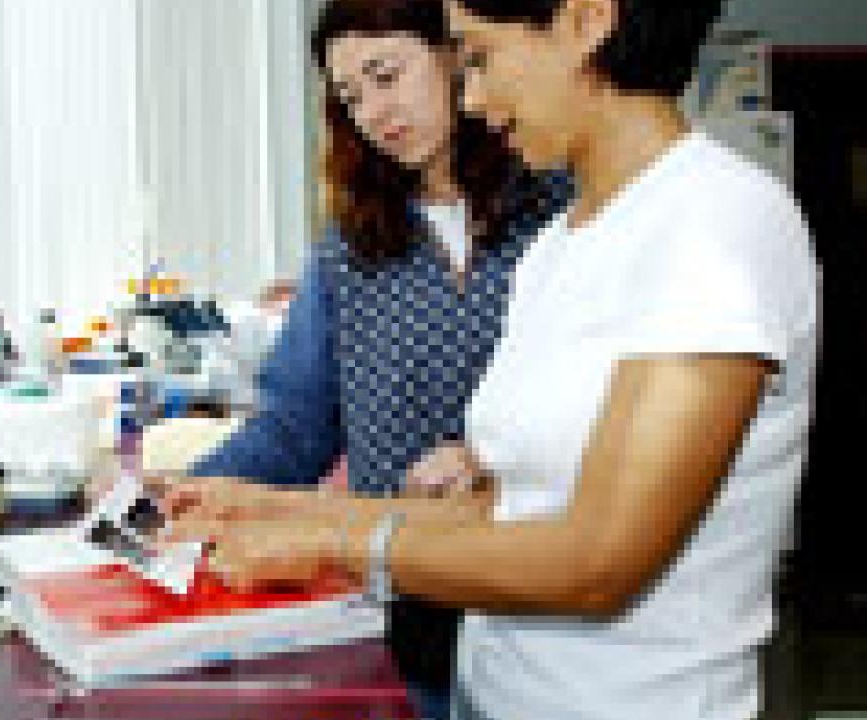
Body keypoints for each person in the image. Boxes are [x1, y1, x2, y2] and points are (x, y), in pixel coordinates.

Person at [163, 1, 820, 719]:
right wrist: (274, 505)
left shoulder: (715, 223)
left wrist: (332, 540)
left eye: (478, 56)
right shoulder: (563, 247)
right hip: (498, 690)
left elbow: (599, 561)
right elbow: (512, 506)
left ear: (586, 20)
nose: (471, 95)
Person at [178, 0, 569, 716]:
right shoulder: (352, 249)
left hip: (544, 597)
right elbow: (292, 431)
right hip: (401, 602)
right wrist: (178, 499)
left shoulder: (565, 212)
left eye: (388, 75)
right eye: (351, 96)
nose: (374, 112)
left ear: (455, 53)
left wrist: (487, 457)